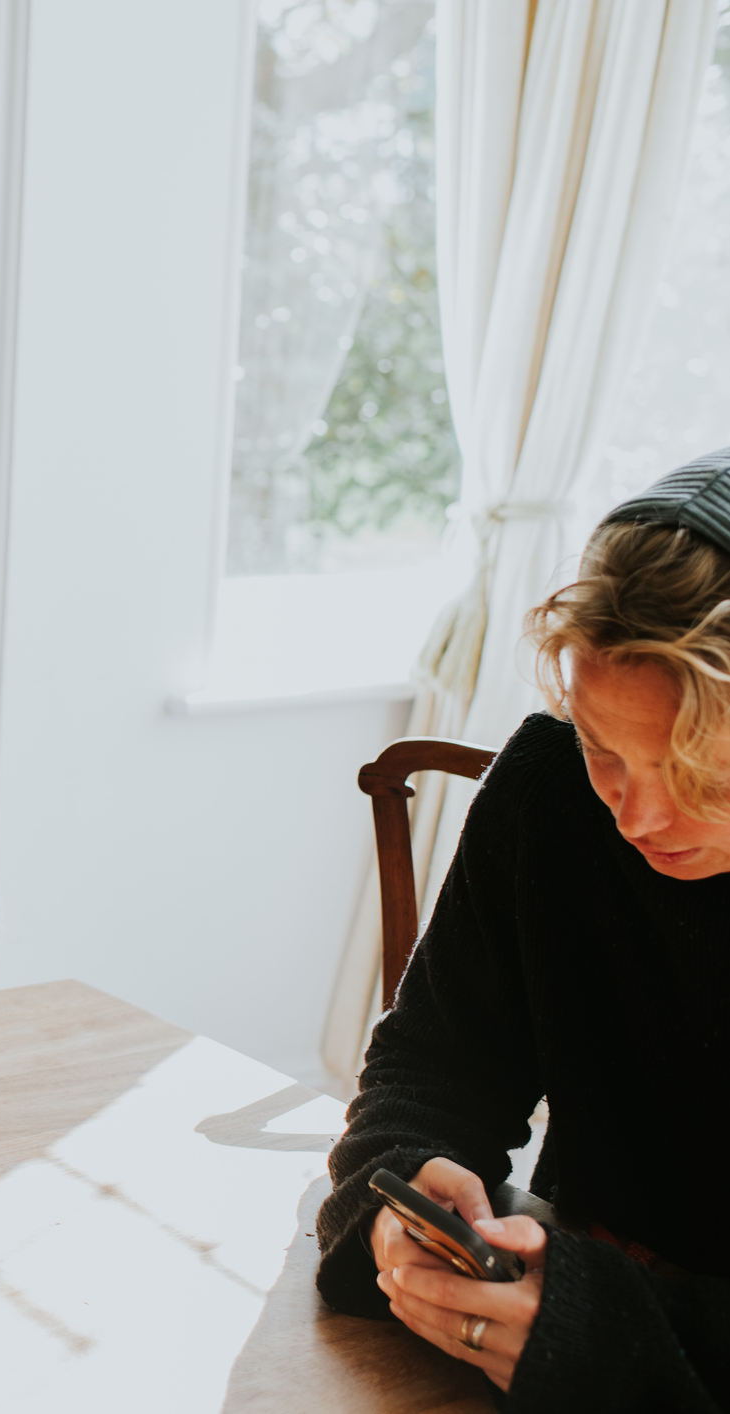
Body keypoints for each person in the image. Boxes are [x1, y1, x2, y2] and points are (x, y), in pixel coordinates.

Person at [316, 449, 730, 1410]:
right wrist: (404, 1193)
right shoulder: (546, 789)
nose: (637, 817)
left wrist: (605, 1334)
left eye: (700, 773)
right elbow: (428, 1069)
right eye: (602, 749)